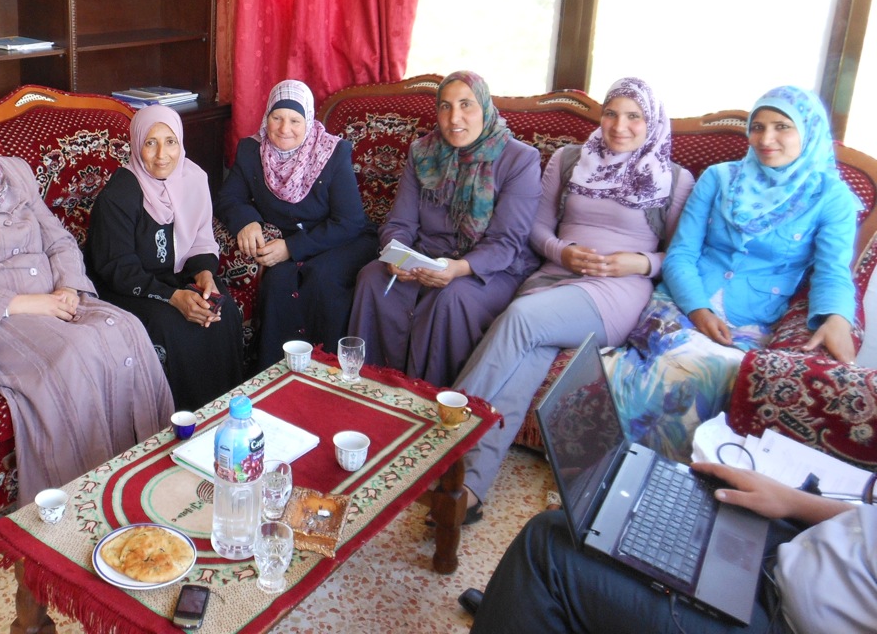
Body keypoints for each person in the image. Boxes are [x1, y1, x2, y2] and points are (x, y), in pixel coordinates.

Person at [0, 89, 174, 501]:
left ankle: (147, 470)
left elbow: (57, 238)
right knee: (73, 354)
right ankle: (83, 498)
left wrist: (69, 287)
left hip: (54, 297)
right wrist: (25, 304)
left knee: (125, 329)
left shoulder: (14, 173)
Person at [452, 77, 695, 521]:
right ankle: (468, 488)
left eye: (634, 116)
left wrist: (637, 263)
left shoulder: (674, 179)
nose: (619, 126)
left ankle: (439, 430)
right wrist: (563, 252)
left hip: (615, 292)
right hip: (555, 274)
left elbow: (677, 257)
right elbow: (537, 230)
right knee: (526, 364)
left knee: (522, 318)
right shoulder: (568, 161)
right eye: (611, 114)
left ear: (653, 122)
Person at [606, 85, 858, 460]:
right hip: (683, 300)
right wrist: (698, 310)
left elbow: (833, 271)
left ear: (809, 132)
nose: (765, 139)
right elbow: (681, 255)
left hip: (753, 316)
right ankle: (613, 470)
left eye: (781, 127)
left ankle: (669, 480)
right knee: (672, 360)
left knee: (719, 370)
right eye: (757, 127)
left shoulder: (831, 196)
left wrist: (836, 317)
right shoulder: (719, 177)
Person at [468, 462, 877, 634]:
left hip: (780, 620)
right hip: (790, 548)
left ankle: (525, 603)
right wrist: (790, 501)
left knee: (549, 547)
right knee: (661, 501)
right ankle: (522, 608)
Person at [347, 71, 542, 387]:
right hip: (426, 259)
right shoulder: (423, 152)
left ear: (485, 108)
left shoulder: (520, 159)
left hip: (489, 270)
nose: (455, 118)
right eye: (446, 107)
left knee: (452, 297)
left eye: (466, 105)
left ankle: (433, 401)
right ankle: (372, 388)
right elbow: (400, 223)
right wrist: (398, 255)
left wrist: (459, 268)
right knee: (373, 277)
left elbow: (507, 242)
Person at [86, 104, 244, 409]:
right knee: (172, 326)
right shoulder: (119, 194)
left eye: (170, 142)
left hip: (178, 276)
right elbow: (116, 267)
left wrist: (204, 275)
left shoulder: (193, 178)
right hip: (128, 286)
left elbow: (201, 238)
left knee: (222, 313)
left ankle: (227, 412)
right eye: (151, 142)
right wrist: (173, 297)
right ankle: (184, 422)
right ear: (136, 145)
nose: (162, 155)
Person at [215, 79, 376, 369]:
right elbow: (229, 197)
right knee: (278, 283)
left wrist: (292, 247)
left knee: (322, 280)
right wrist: (247, 222)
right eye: (276, 118)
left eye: (294, 120)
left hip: (340, 240)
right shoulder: (252, 151)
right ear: (267, 117)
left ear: (309, 120)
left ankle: (326, 370)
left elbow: (350, 221)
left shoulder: (332, 153)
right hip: (286, 242)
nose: (284, 129)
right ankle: (277, 374)